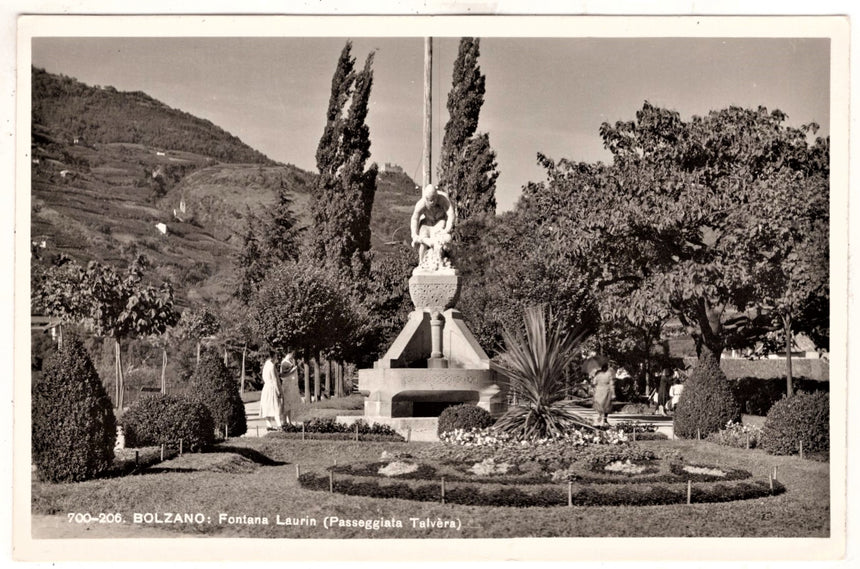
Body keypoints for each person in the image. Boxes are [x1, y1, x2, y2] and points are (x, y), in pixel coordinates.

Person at [410, 183, 455, 266]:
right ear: (426, 199)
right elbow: (415, 219)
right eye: (430, 200)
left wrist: (447, 230)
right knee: (423, 237)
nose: (433, 201)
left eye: (434, 199)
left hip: (439, 221)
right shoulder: (421, 204)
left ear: (437, 196)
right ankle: (421, 262)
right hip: (427, 222)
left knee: (438, 239)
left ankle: (440, 261)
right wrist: (414, 235)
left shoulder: (443, 199)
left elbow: (451, 214)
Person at [260, 351, 283, 430]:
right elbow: (274, 379)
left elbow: (263, 377)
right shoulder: (271, 366)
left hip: (266, 387)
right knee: (275, 406)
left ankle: (269, 424)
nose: (277, 358)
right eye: (276, 357)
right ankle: (279, 424)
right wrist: (278, 391)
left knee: (267, 405)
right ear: (272, 357)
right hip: (271, 388)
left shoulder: (265, 365)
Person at [279, 349, 302, 426]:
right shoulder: (284, 363)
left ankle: (289, 421)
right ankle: (285, 421)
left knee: (289, 404)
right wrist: (292, 370)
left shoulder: (289, 362)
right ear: (289, 353)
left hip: (291, 386)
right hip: (287, 386)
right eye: (292, 354)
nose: (292, 356)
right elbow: (282, 375)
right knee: (286, 404)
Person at [591, 360, 616, 427]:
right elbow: (611, 384)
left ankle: (599, 417)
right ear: (606, 367)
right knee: (606, 406)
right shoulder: (609, 374)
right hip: (606, 391)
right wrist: (613, 393)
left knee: (599, 405)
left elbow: (593, 383)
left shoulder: (598, 374)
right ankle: (604, 420)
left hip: (598, 392)